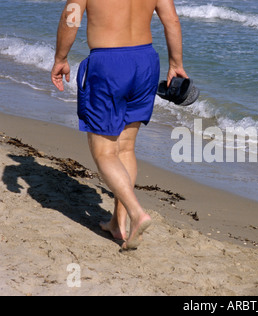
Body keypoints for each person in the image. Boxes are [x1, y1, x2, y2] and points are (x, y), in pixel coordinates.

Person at [51, 0, 188, 250]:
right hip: (145, 61)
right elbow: (172, 21)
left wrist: (60, 57)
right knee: (125, 149)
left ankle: (137, 214)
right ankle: (118, 223)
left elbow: (71, 18)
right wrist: (176, 64)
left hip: (109, 63)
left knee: (104, 151)